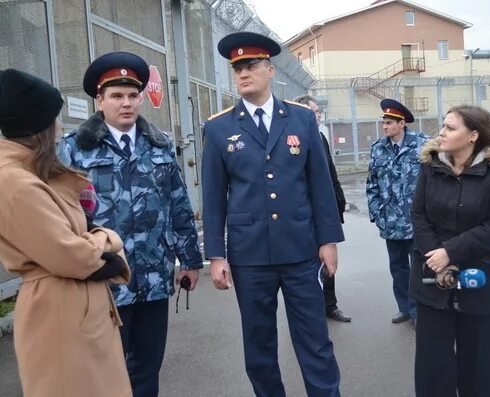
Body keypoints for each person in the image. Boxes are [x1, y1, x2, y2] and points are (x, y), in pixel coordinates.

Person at [202, 32, 344, 397]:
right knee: (259, 346)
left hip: (300, 250)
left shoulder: (300, 119)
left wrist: (328, 240)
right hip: (249, 256)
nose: (243, 74)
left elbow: (320, 184)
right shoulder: (219, 128)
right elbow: (214, 196)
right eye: (237, 69)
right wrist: (216, 254)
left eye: (250, 66)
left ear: (269, 70)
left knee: (314, 341)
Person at [58, 52, 203, 397]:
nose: (126, 103)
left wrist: (191, 261)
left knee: (148, 368)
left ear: (141, 97)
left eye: (132, 95)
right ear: (100, 100)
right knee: (103, 372)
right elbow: (62, 218)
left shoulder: (159, 145)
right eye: (116, 96)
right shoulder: (75, 150)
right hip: (103, 282)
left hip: (153, 278)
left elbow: (179, 205)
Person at [0, 68, 132, 396]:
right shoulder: (13, 181)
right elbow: (70, 255)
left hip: (73, 311)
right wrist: (108, 239)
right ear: (38, 126)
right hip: (60, 317)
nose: (60, 127)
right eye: (54, 118)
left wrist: (93, 241)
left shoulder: (30, 172)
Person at [410, 105, 490, 397]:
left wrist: (451, 253)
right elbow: (418, 216)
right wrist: (438, 258)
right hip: (432, 281)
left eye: (450, 127)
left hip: (481, 281)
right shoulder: (430, 166)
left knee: (478, 370)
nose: (441, 132)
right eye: (443, 126)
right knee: (433, 370)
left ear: (473, 136)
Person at [366, 98, 428, 327]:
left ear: (402, 123)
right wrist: (377, 213)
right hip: (391, 221)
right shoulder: (378, 149)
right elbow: (371, 184)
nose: (385, 126)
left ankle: (418, 310)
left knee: (420, 267)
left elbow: (435, 180)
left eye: (390, 122)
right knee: (398, 268)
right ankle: (405, 308)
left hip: (417, 221)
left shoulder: (423, 145)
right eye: (384, 122)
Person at [294, 94, 351, 323]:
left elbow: (328, 175)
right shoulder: (293, 140)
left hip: (324, 209)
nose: (319, 115)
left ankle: (329, 304)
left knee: (327, 258)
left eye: (319, 112)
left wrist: (338, 200)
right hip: (304, 212)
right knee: (306, 262)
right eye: (315, 112)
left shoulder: (320, 137)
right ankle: (309, 308)